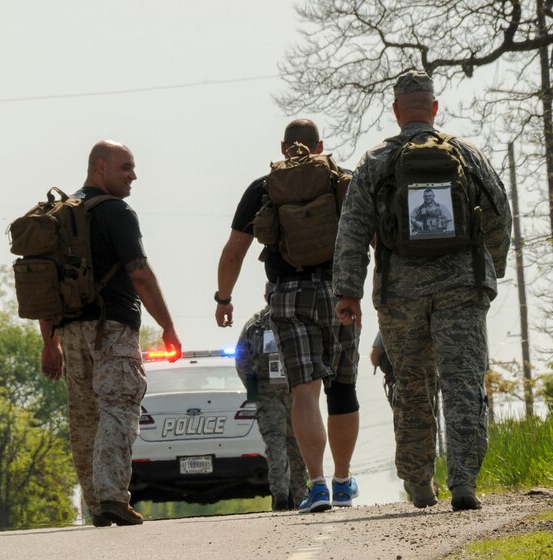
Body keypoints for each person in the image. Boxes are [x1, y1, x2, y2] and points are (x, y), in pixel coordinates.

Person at [333, 70, 512, 511]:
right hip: (461, 287)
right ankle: (465, 482)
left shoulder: (376, 162)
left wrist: (347, 292)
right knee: (462, 381)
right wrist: (490, 270)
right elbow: (499, 214)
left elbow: (352, 230)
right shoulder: (466, 154)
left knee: (411, 384)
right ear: (434, 108)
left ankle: (418, 482)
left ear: (396, 112)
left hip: (400, 293)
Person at [215, 119, 360, 513]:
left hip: (288, 296)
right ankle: (343, 481)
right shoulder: (342, 181)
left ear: (283, 147)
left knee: (304, 389)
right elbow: (370, 238)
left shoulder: (264, 188)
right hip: (339, 293)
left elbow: (234, 251)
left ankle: (316, 485)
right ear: (320, 146)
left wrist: (223, 298)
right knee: (342, 388)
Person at [39, 140, 182, 527]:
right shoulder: (117, 212)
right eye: (126, 168)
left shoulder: (59, 214)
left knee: (85, 419)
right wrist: (167, 325)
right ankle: (112, 497)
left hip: (69, 333)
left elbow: (45, 286)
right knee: (118, 408)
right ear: (100, 167)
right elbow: (139, 273)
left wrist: (49, 341)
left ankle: (96, 504)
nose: (133, 176)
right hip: (112, 329)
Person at [235, 286, 308, 511]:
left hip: (268, 393)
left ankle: (280, 496)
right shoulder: (297, 318)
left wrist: (253, 387)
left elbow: (242, 359)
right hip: (295, 391)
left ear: (265, 295)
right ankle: (301, 495)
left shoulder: (254, 324)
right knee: (298, 442)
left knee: (275, 444)